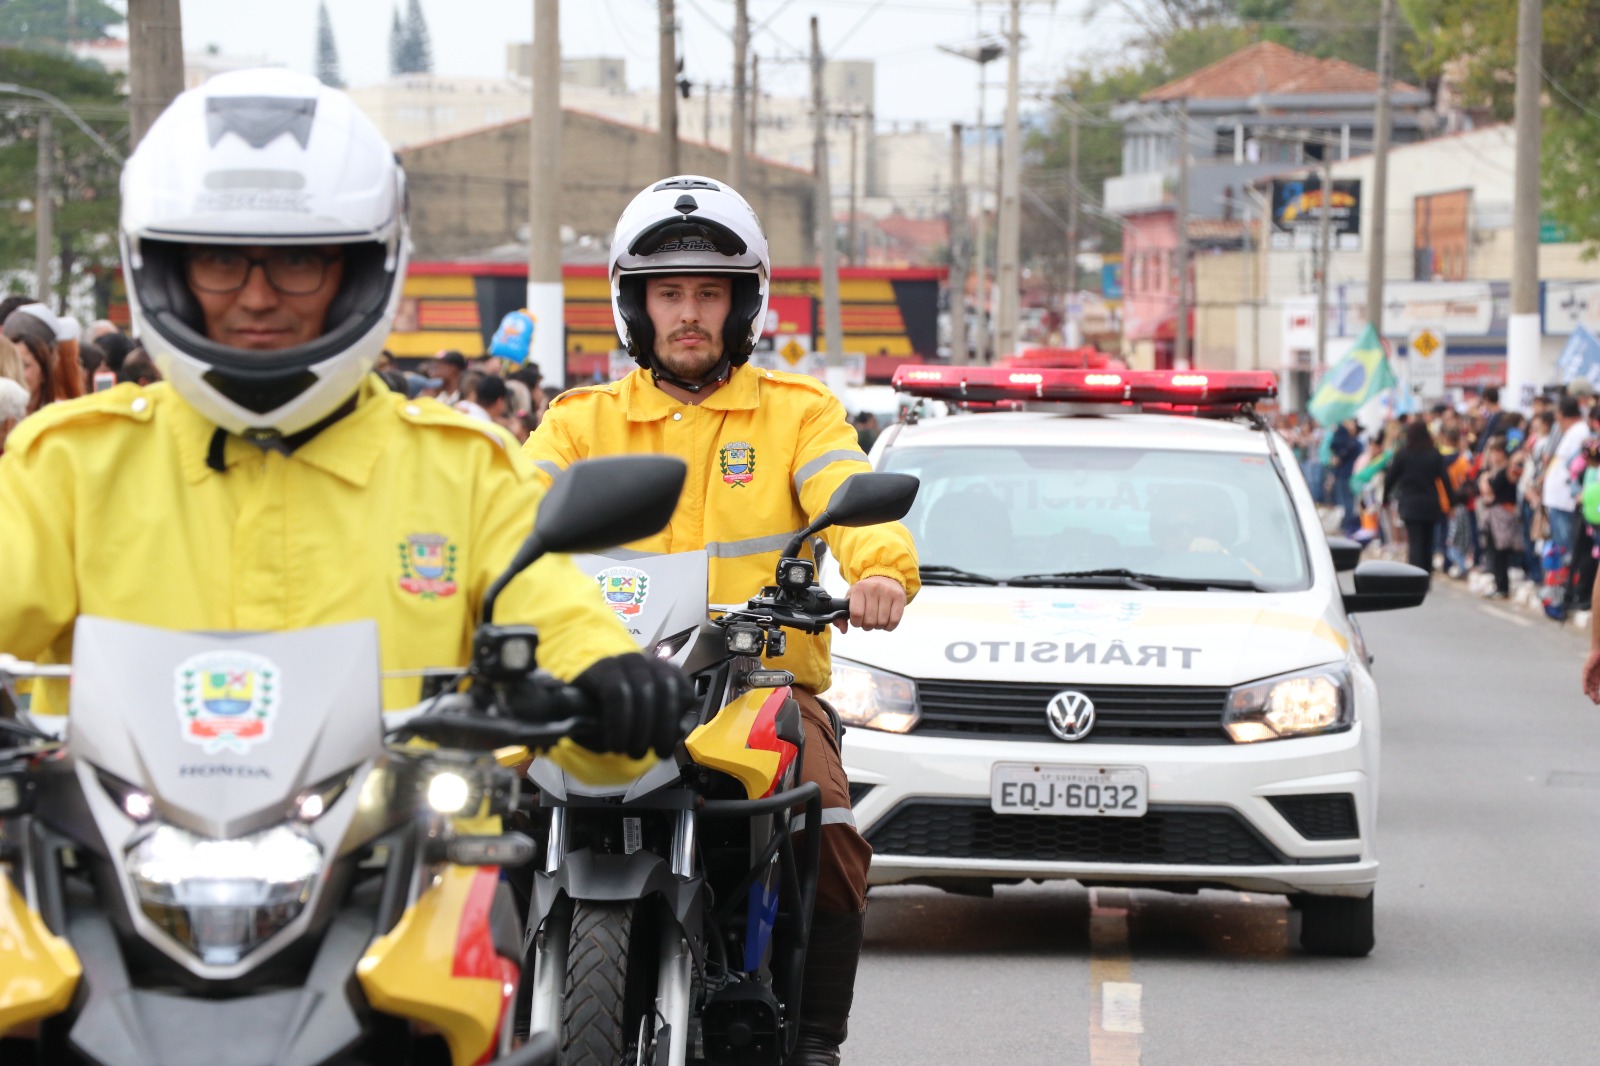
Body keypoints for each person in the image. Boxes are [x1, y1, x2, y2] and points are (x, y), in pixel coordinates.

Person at [0, 70, 689, 769]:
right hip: (106, 853)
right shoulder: (71, 461)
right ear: (168, 271)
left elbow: (555, 614)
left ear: (360, 270)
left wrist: (611, 678)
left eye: (299, 260)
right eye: (219, 260)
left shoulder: (461, 467)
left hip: (406, 852)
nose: (259, 298)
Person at [524, 175, 920, 1066]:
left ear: (744, 304)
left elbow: (848, 497)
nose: (690, 314)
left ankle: (814, 1042)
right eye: (670, 294)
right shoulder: (579, 422)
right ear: (635, 306)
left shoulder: (799, 411)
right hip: (598, 683)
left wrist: (879, 573)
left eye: (709, 293)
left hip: (756, 683)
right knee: (461, 812)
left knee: (829, 830)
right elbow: (510, 515)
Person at [1383, 420, 1450, 574]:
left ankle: (1415, 574)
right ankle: (1427, 573)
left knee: (1415, 541)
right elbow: (1445, 480)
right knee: (1428, 541)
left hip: (1410, 503)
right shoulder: (1434, 454)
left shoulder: (1403, 454)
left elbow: (1390, 478)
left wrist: (1385, 498)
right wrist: (1451, 503)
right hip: (1430, 503)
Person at [1476, 438, 1523, 598]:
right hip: (1494, 516)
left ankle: (1503, 587)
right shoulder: (1494, 471)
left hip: (1503, 515)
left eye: (1495, 452)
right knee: (1495, 552)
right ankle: (1499, 585)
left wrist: (1485, 480)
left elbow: (1490, 490)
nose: (1492, 456)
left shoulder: (1509, 470)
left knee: (1501, 552)